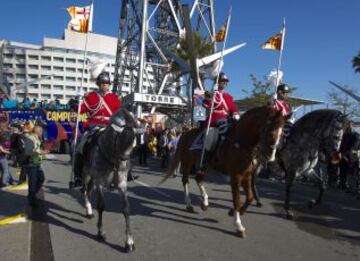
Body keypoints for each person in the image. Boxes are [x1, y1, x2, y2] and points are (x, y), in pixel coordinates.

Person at [72, 71, 121, 187]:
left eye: (106, 83)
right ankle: (78, 175)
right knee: (80, 146)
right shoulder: (91, 96)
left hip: (110, 127)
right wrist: (78, 100)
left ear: (109, 84)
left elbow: (119, 114)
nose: (104, 85)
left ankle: (122, 174)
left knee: (121, 147)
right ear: (98, 84)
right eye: (102, 83)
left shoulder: (114, 98)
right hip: (94, 125)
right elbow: (81, 109)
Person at [23, 125, 48, 207]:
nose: (42, 133)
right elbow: (28, 152)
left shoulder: (36, 138)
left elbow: (35, 149)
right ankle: (32, 199)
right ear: (38, 132)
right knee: (33, 182)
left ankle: (32, 195)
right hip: (31, 164)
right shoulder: (30, 139)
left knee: (41, 178)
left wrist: (42, 151)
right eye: (42, 131)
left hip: (36, 163)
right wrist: (40, 152)